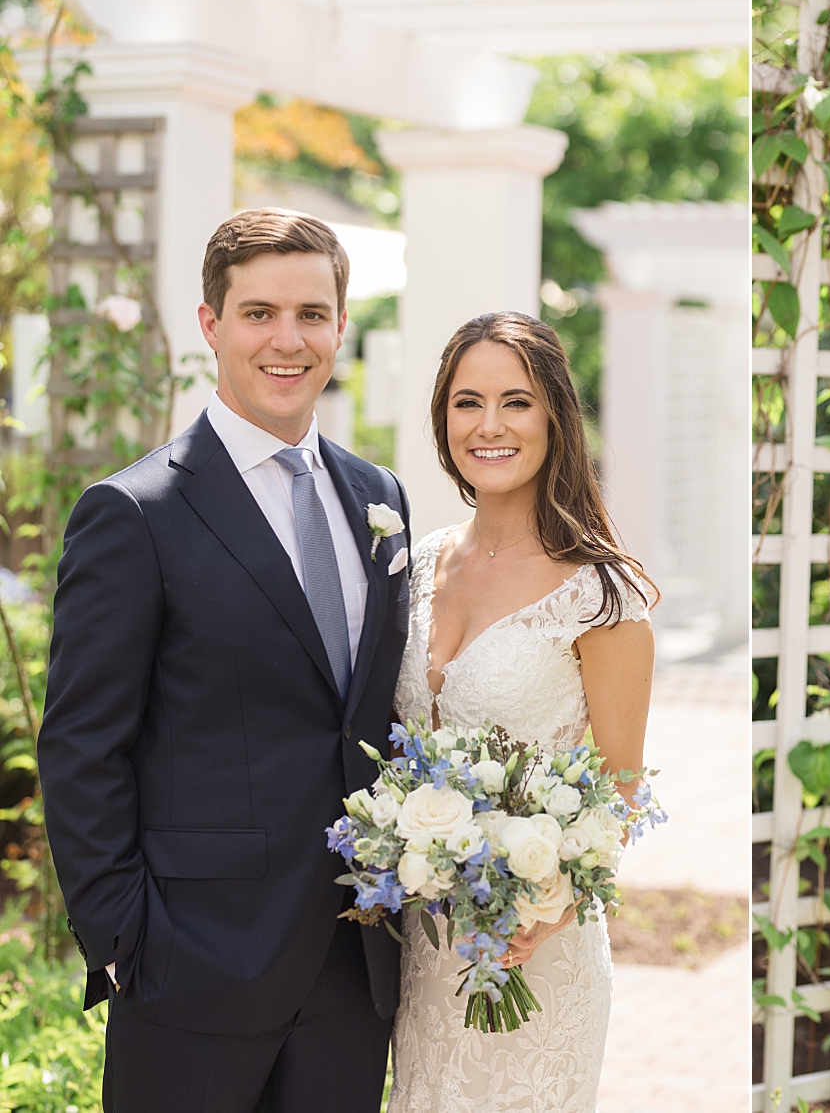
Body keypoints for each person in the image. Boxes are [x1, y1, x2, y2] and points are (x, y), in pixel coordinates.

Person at [38, 208, 409, 1112]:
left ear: (340, 326)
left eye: (312, 314)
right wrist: (126, 945)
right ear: (211, 324)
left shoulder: (379, 496)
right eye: (259, 313)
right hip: (190, 971)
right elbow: (82, 748)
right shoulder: (133, 513)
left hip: (352, 969)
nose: (289, 340)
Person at [386, 312, 655, 1112]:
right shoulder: (414, 561)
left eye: (517, 401)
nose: (490, 425)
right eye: (467, 402)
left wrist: (547, 904)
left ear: (555, 418)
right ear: (443, 419)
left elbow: (622, 791)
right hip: (422, 948)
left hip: (534, 950)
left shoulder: (603, 594)